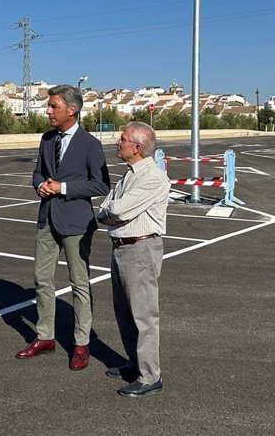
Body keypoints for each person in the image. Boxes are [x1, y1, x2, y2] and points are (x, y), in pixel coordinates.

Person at [16, 84, 110, 371]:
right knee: (41, 279)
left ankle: (81, 343)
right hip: (47, 219)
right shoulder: (46, 139)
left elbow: (101, 184)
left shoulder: (90, 144)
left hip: (76, 222)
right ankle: (45, 337)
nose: (48, 111)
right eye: (49, 106)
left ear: (72, 110)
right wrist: (40, 185)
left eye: (53, 106)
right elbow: (37, 172)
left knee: (79, 283)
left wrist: (63, 187)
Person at [96, 121, 170, 397]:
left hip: (140, 249)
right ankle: (135, 363)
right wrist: (108, 212)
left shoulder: (152, 176)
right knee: (124, 311)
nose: (118, 141)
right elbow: (107, 207)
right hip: (121, 247)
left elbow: (119, 210)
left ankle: (151, 377)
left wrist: (108, 212)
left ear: (137, 147)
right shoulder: (129, 174)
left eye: (123, 138)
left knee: (143, 315)